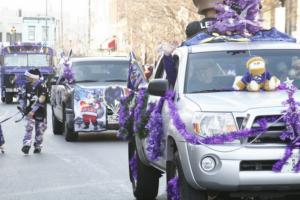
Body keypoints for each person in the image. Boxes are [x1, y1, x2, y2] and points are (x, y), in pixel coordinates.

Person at [18, 68, 47, 154]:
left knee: (40, 129)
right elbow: (21, 97)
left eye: (28, 76)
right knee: (29, 127)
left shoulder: (42, 85)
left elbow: (42, 99)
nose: (26, 77)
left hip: (40, 111)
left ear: (33, 77)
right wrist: (22, 107)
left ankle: (38, 145)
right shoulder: (25, 85)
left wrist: (33, 110)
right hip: (29, 111)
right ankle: (26, 145)